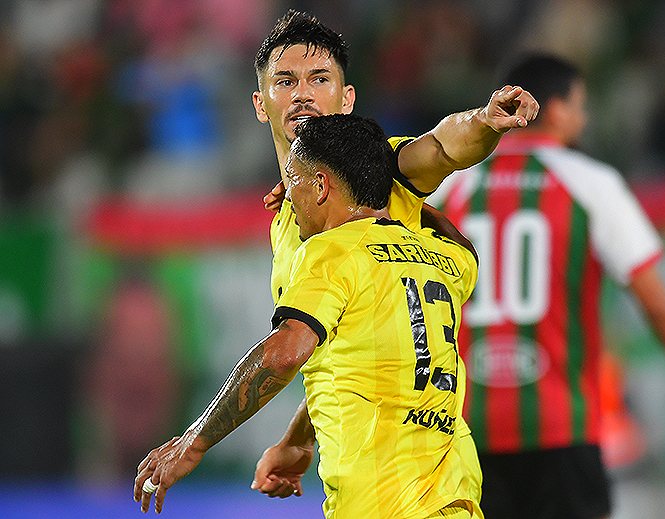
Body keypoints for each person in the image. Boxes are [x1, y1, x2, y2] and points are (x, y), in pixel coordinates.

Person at [243, 9, 536, 507]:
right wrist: (299, 439)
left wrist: (485, 121)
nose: (303, 94)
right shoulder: (290, 219)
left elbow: (442, 148)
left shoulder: (384, 173)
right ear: (260, 103)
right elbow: (349, 345)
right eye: (286, 81)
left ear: (347, 98)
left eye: (320, 79)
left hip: (411, 485)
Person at [430, 53, 665, 519]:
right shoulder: (591, 183)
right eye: (579, 106)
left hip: (460, 430)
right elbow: (656, 304)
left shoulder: (448, 186)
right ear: (554, 111)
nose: (584, 118)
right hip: (562, 429)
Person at [134, 114, 481, 518]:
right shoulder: (444, 259)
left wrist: (194, 441)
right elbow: (464, 249)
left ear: (320, 186)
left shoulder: (332, 250)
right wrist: (299, 439)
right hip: (456, 499)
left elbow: (284, 354)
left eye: (293, 181)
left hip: (381, 505)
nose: (288, 198)